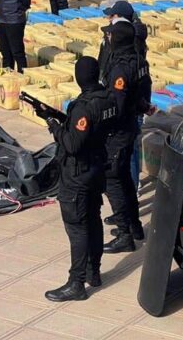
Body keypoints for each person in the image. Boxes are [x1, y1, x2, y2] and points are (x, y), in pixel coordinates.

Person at [44, 56, 117, 302]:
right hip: (97, 168)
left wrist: (55, 128)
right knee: (93, 220)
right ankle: (93, 271)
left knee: (77, 228)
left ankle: (76, 283)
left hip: (77, 175)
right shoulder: (107, 99)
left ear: (79, 78)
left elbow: (73, 145)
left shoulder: (83, 107)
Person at [102, 21, 145, 254]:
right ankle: (134, 226)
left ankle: (124, 234)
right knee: (126, 180)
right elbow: (137, 95)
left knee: (113, 181)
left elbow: (116, 105)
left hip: (118, 132)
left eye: (110, 36)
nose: (107, 39)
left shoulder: (120, 68)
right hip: (129, 127)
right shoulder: (137, 60)